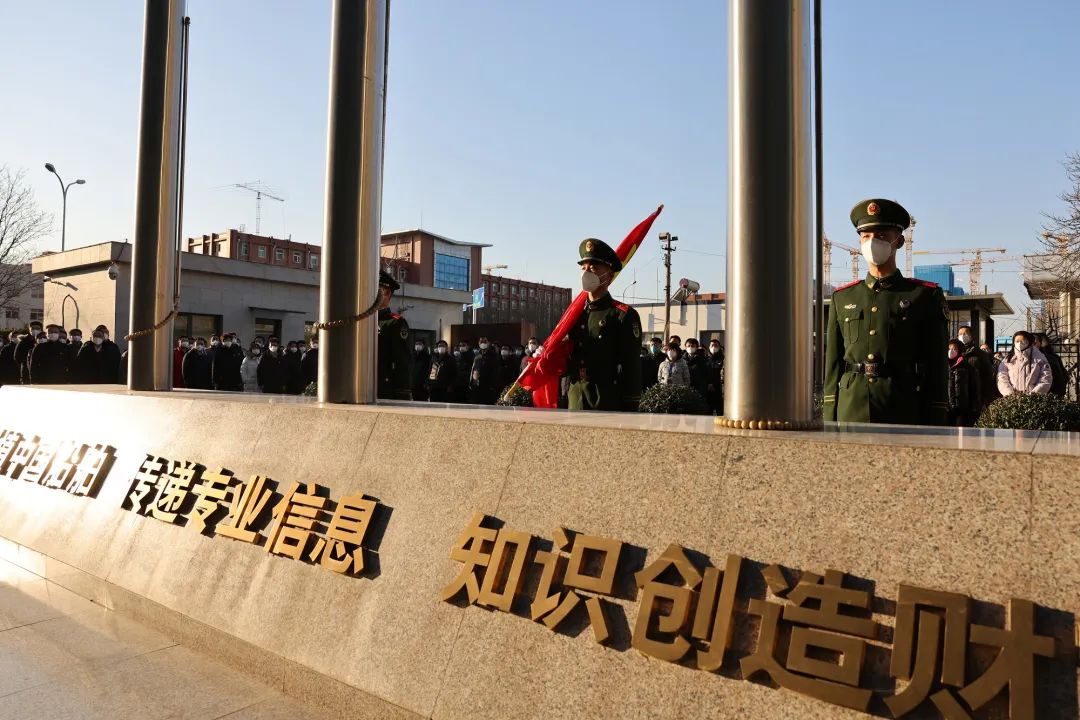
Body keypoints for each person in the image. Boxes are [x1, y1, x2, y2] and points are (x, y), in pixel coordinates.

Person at [823, 199, 949, 425]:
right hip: (851, 407)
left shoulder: (923, 295)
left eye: (881, 235)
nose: (872, 242)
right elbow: (833, 364)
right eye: (866, 236)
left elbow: (936, 365)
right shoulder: (843, 297)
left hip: (902, 406)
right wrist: (830, 411)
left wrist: (937, 413)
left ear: (898, 241)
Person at [565, 238, 643, 411]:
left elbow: (631, 366)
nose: (586, 273)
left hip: (607, 400)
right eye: (583, 268)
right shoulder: (574, 314)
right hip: (575, 399)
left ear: (609, 274)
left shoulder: (623, 315)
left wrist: (631, 407)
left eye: (593, 268)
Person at [377, 270, 413, 400]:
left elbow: (402, 360)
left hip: (384, 388)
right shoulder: (364, 320)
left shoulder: (395, 323)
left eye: (376, 290)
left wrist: (402, 391)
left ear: (387, 293)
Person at [997, 330, 1052, 397]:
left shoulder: (1040, 358)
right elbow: (1002, 378)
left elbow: (1046, 378)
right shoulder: (1008, 360)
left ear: (1029, 341)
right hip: (1012, 400)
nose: (1019, 343)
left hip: (1034, 400)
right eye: (1017, 341)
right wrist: (1010, 394)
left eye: (1023, 341)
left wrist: (1033, 395)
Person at [957, 325, 997, 409]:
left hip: (975, 399)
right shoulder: (954, 354)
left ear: (972, 336)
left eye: (965, 333)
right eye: (960, 334)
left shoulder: (980, 354)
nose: (962, 336)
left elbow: (987, 376)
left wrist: (984, 398)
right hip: (957, 399)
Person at [946, 338, 981, 427]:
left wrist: (974, 408)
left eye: (954, 349)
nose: (951, 351)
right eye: (949, 349)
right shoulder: (944, 366)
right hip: (947, 408)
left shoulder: (968, 368)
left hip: (963, 410)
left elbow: (974, 388)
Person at [1034, 333, 1068, 397]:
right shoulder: (1052, 356)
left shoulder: (1050, 358)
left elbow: (1060, 376)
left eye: (1035, 342)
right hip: (1052, 394)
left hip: (1050, 393)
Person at [469, 336, 501, 404]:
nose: (483, 343)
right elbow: (473, 369)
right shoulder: (477, 355)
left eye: (485, 341)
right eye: (481, 341)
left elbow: (496, 371)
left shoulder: (494, 356)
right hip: (476, 385)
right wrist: (471, 381)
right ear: (478, 343)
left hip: (488, 386)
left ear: (488, 343)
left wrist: (493, 385)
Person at [706, 339, 725, 415]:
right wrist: (709, 383)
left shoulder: (723, 359)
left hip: (720, 388)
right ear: (709, 347)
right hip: (708, 388)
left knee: (720, 411)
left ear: (719, 347)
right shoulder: (705, 359)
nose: (714, 347)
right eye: (712, 345)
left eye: (716, 345)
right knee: (708, 411)